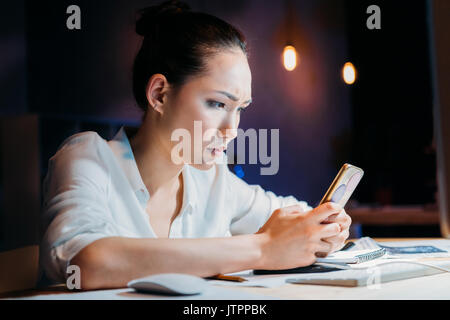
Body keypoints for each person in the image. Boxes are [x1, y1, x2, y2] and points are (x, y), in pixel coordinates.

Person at [39, 0, 351, 290]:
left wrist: (324, 229)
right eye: (217, 104)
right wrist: (262, 248)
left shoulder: (211, 180)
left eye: (240, 109)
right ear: (160, 94)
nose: (232, 129)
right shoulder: (87, 158)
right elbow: (84, 262)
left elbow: (292, 217)